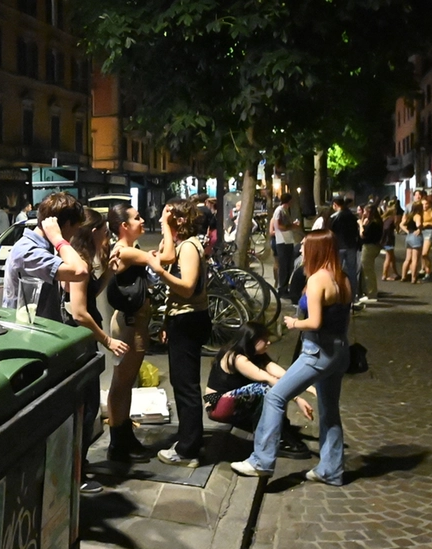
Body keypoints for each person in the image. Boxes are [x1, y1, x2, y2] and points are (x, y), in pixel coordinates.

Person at [233, 230, 351, 485]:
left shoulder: (319, 279)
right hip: (340, 350)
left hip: (318, 351)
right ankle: (331, 470)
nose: (301, 251)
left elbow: (315, 321)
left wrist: (295, 323)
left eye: (306, 247)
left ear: (317, 250)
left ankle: (261, 461)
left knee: (276, 396)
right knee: (329, 410)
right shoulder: (342, 278)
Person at [65, 209, 133, 493]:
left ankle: (77, 469)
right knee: (86, 406)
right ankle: (75, 476)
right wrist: (107, 340)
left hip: (82, 341)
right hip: (80, 343)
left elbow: (90, 293)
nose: (108, 237)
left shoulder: (81, 260)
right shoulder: (78, 261)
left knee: (87, 405)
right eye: (105, 232)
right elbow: (79, 312)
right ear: (93, 233)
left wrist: (107, 271)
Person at [149, 199, 209, 468]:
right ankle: (189, 439)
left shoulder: (188, 247)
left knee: (186, 387)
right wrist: (165, 322)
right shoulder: (185, 245)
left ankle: (188, 450)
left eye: (170, 216)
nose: (166, 220)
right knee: (183, 383)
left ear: (181, 220)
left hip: (188, 320)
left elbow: (185, 288)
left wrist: (160, 271)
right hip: (181, 320)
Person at [204, 322, 315, 459]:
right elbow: (267, 379)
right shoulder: (236, 357)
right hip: (215, 403)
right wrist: (297, 399)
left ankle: (277, 430)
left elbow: (279, 372)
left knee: (273, 389)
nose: (269, 342)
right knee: (264, 388)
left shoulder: (254, 353)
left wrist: (307, 386)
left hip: (233, 401)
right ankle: (270, 440)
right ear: (252, 339)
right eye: (265, 339)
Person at [104, 204, 153, 463]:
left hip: (133, 323)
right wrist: (167, 226)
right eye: (137, 218)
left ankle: (123, 437)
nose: (142, 220)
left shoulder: (130, 251)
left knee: (126, 383)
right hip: (129, 325)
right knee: (121, 384)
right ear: (124, 226)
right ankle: (118, 442)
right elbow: (163, 260)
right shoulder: (124, 251)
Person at [1, 193, 88, 320]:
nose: (76, 234)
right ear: (67, 224)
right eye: (76, 228)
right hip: (27, 334)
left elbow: (69, 283)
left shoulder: (44, 247)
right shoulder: (29, 251)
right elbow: (81, 271)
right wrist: (58, 238)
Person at [330, 197, 360, 300]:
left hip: (339, 246)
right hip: (351, 245)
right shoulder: (351, 216)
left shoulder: (335, 217)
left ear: (335, 204)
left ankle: (339, 294)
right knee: (352, 270)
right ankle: (353, 295)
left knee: (337, 270)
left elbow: (332, 231)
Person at [270, 192, 301, 297]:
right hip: (282, 241)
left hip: (287, 240)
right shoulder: (279, 211)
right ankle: (282, 289)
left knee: (288, 265)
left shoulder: (284, 210)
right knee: (284, 265)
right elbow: (279, 226)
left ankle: (284, 288)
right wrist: (292, 226)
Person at [359, 204, 382, 302]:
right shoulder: (376, 222)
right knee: (367, 270)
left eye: (365, 211)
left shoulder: (373, 223)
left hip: (369, 247)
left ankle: (371, 293)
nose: (363, 213)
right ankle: (369, 291)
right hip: (373, 246)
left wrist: (361, 225)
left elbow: (363, 235)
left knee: (367, 270)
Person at [400, 203, 424, 283]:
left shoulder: (409, 215)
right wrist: (420, 229)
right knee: (415, 260)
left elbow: (401, 224)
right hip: (415, 237)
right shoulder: (418, 216)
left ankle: (403, 276)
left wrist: (407, 231)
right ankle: (414, 279)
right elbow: (418, 224)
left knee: (407, 259)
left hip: (409, 236)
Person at [380, 204, 398, 281]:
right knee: (388, 257)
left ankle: (395, 273)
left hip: (385, 240)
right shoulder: (391, 219)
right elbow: (388, 229)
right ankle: (384, 275)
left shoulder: (384, 219)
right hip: (388, 240)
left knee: (392, 257)